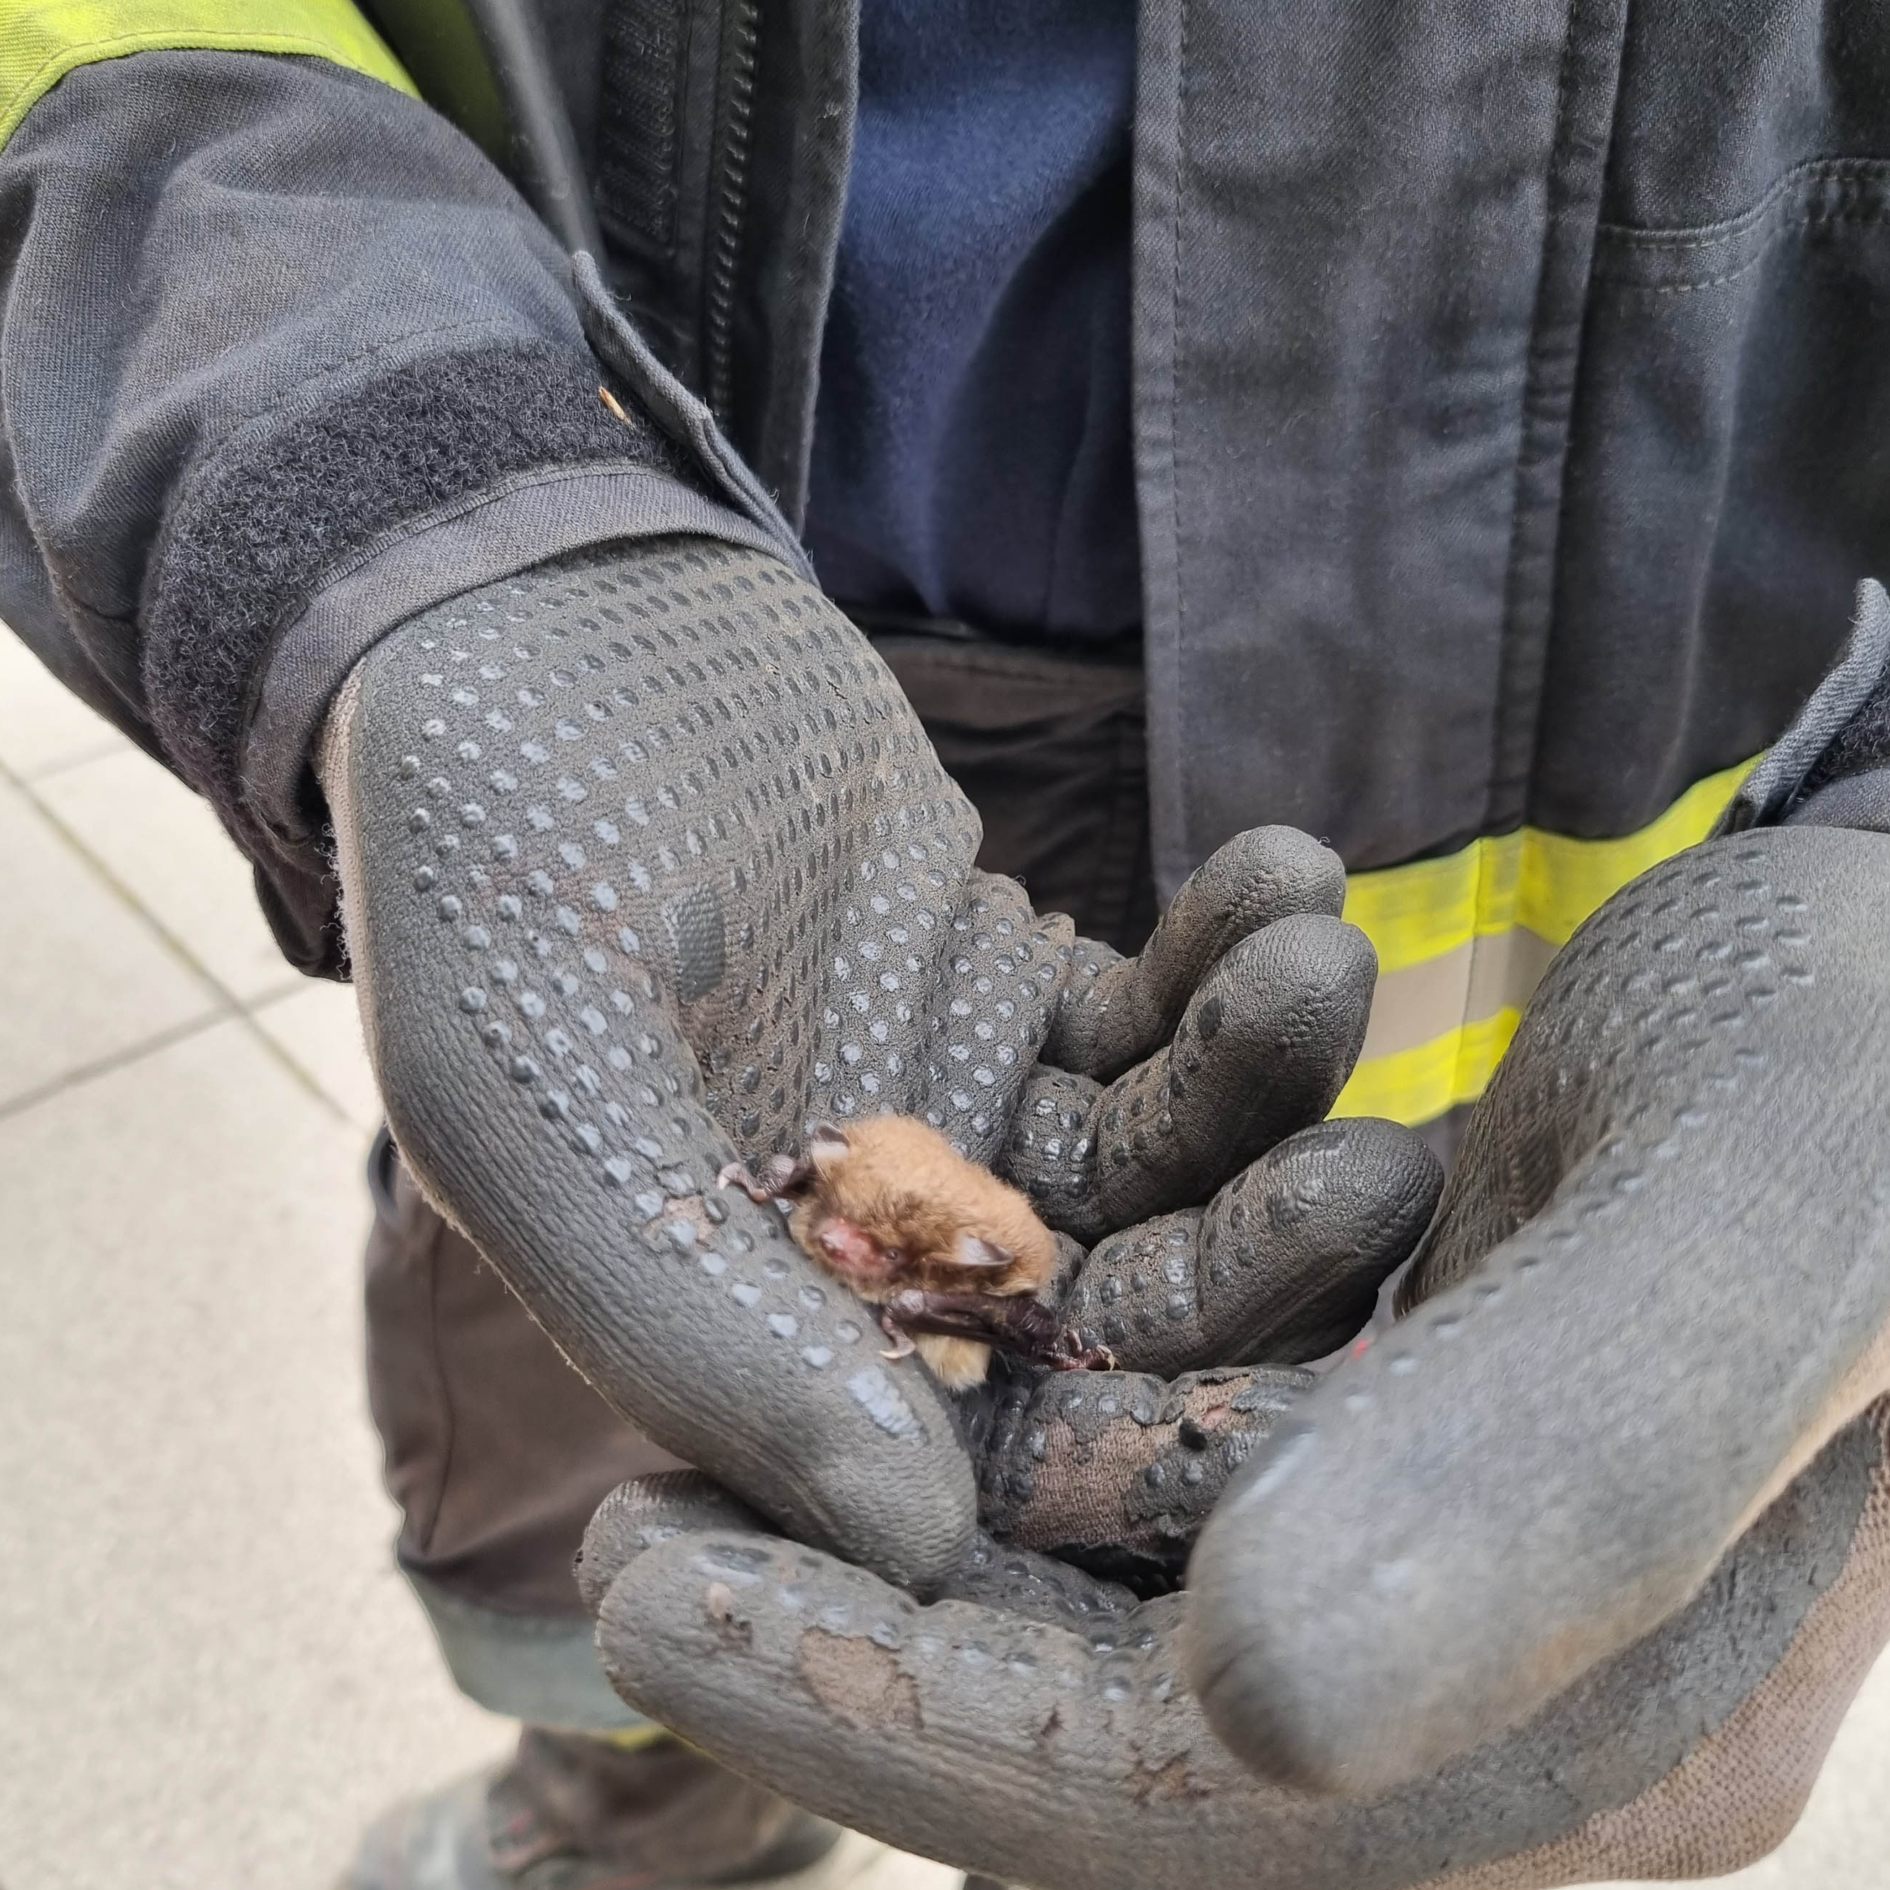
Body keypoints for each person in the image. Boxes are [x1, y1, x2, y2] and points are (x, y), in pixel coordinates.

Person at [5, 2, 1890, 1887]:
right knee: (575, 1340)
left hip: (1543, 798)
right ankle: (635, 1808)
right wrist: (392, 462)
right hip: (716, 629)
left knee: (1244, 1597)